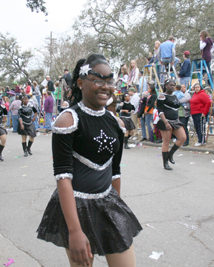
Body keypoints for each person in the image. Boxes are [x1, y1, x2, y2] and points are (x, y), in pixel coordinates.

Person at [37, 54, 142, 267]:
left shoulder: (116, 123)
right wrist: (74, 231)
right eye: (97, 80)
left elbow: (115, 171)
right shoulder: (68, 120)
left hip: (108, 202)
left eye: (109, 81)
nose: (105, 86)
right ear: (80, 83)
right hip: (76, 208)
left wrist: (115, 211)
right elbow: (63, 176)